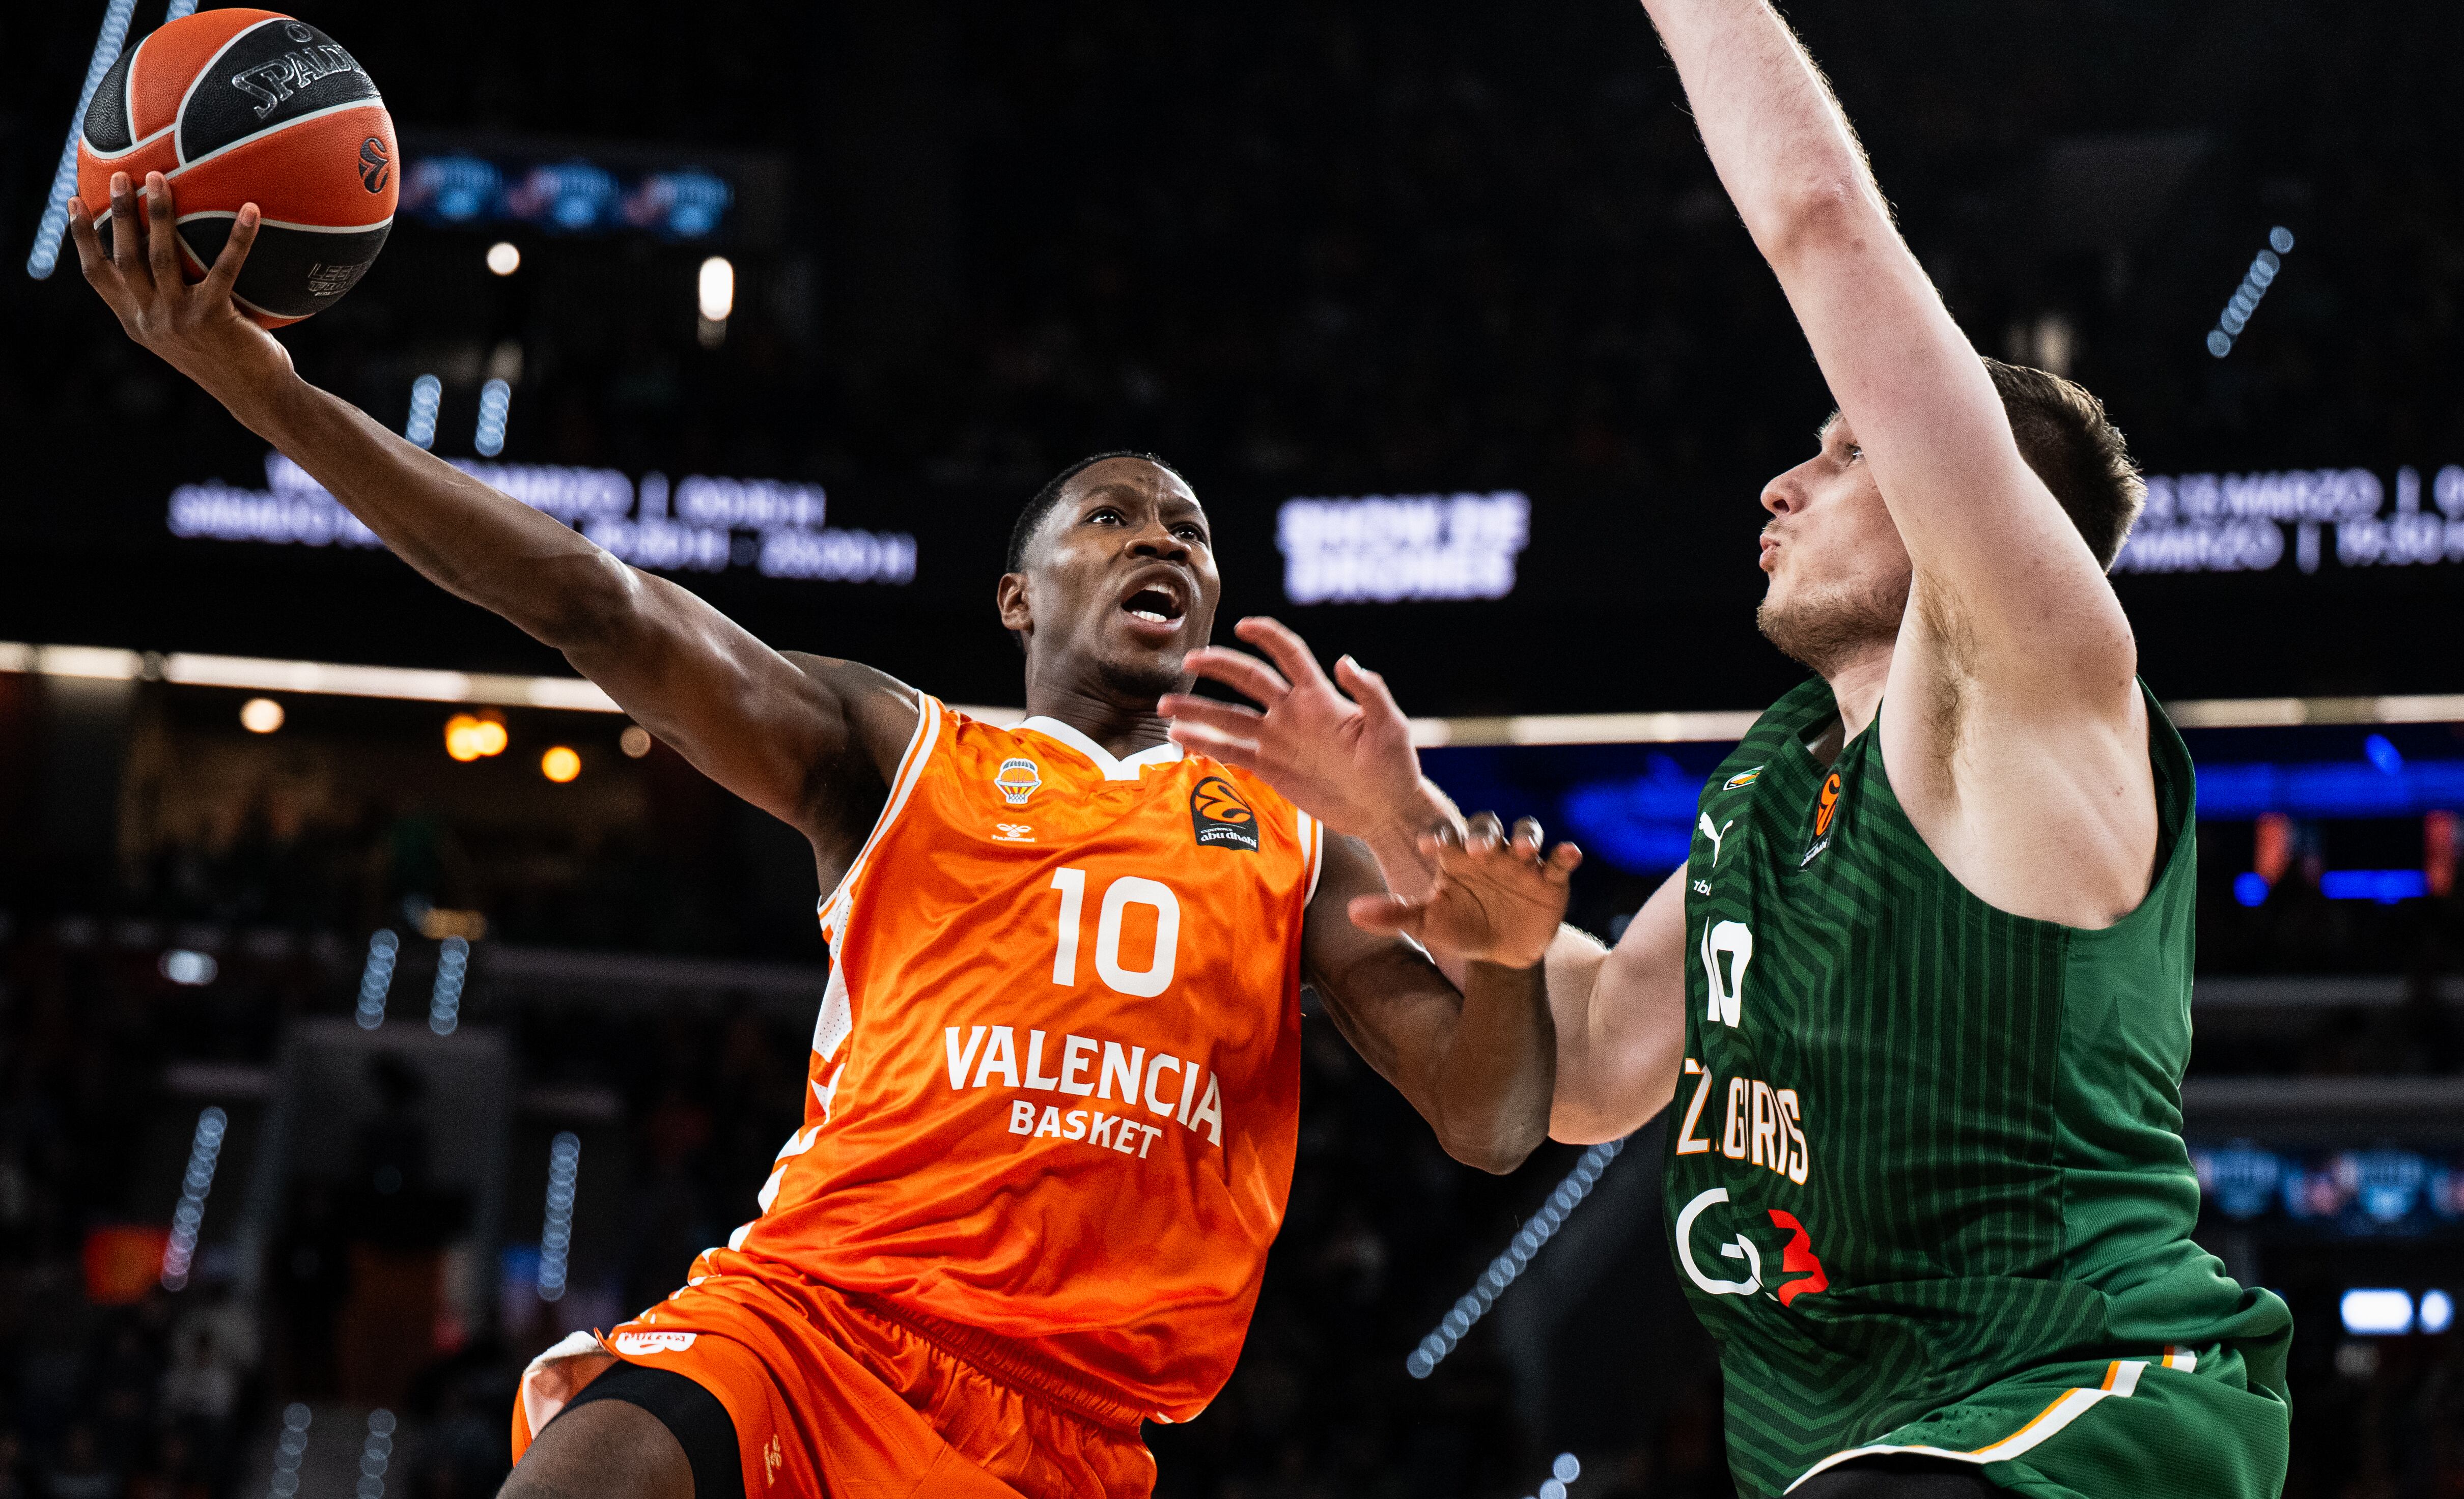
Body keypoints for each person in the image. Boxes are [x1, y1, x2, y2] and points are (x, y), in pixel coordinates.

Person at [67, 177, 1583, 1499]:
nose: (1164, 540)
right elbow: (598, 602)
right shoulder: (901, 746)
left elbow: (1494, 1121)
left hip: (1063, 1428)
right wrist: (269, 396)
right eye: (1115, 516)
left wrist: (1510, 962)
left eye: (1188, 529)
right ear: (1018, 597)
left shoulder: (1290, 839)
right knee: (587, 1466)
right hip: (813, 1318)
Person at [1158, 4, 2294, 1496]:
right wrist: (1390, 807)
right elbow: (1599, 1058)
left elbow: (1821, 220)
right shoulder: (1771, 782)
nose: (1780, 483)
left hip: (2080, 1413)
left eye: (1841, 454)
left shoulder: (2036, 679)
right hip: (1851, 1448)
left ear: (1977, 499)